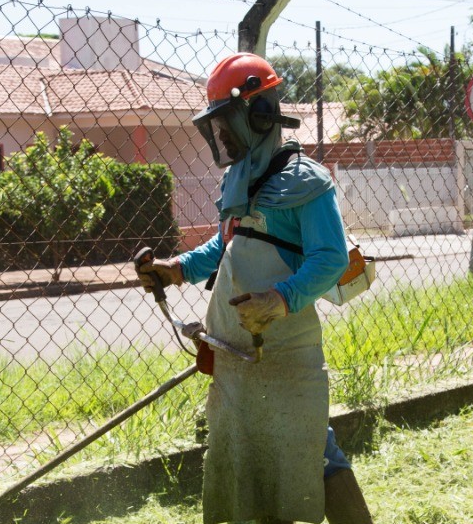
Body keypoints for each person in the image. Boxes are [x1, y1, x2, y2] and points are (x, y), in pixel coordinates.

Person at [136, 52, 373, 524]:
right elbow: (223, 247)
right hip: (236, 348)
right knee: (253, 453)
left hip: (284, 346)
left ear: (259, 114)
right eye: (215, 124)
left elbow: (329, 258)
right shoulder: (237, 180)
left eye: (226, 121)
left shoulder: (306, 182)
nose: (220, 135)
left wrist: (280, 298)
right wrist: (175, 269)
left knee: (307, 444)